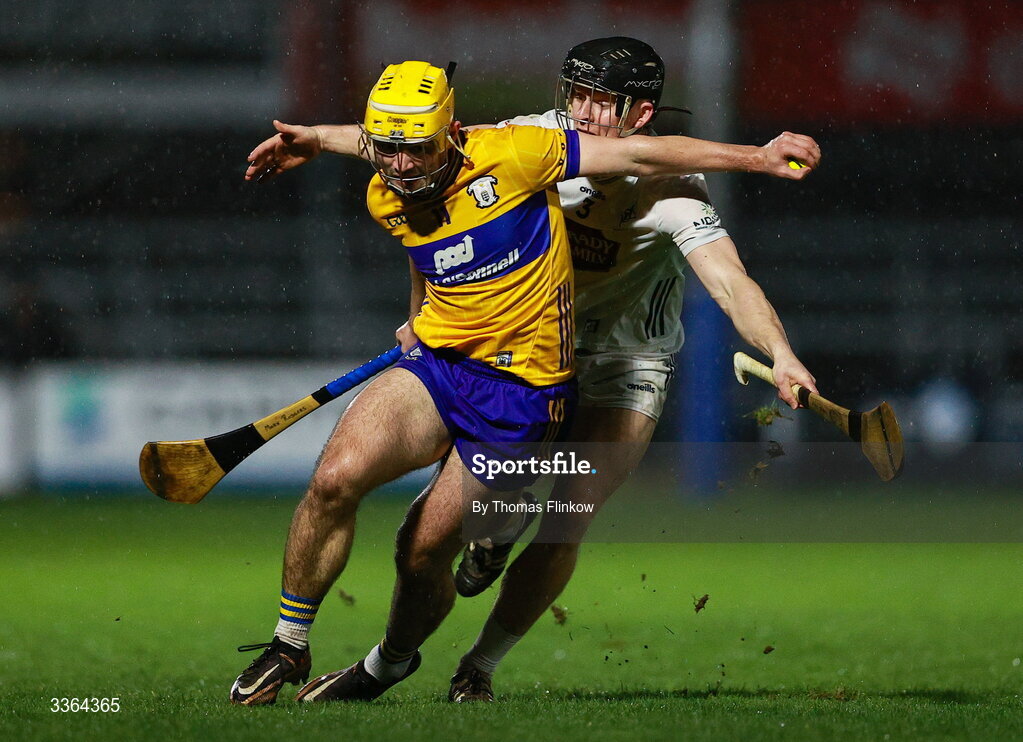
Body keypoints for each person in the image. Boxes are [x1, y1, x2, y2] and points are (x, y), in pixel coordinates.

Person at [234, 55, 820, 706]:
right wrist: (319, 138)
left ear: (640, 116)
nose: (584, 113)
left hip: (620, 364)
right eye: (577, 95)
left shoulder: (674, 189)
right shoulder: (534, 137)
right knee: (368, 499)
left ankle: (478, 663)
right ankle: (318, 639)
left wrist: (781, 351)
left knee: (566, 517)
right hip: (489, 347)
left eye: (603, 103)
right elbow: (419, 144)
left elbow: (730, 281)